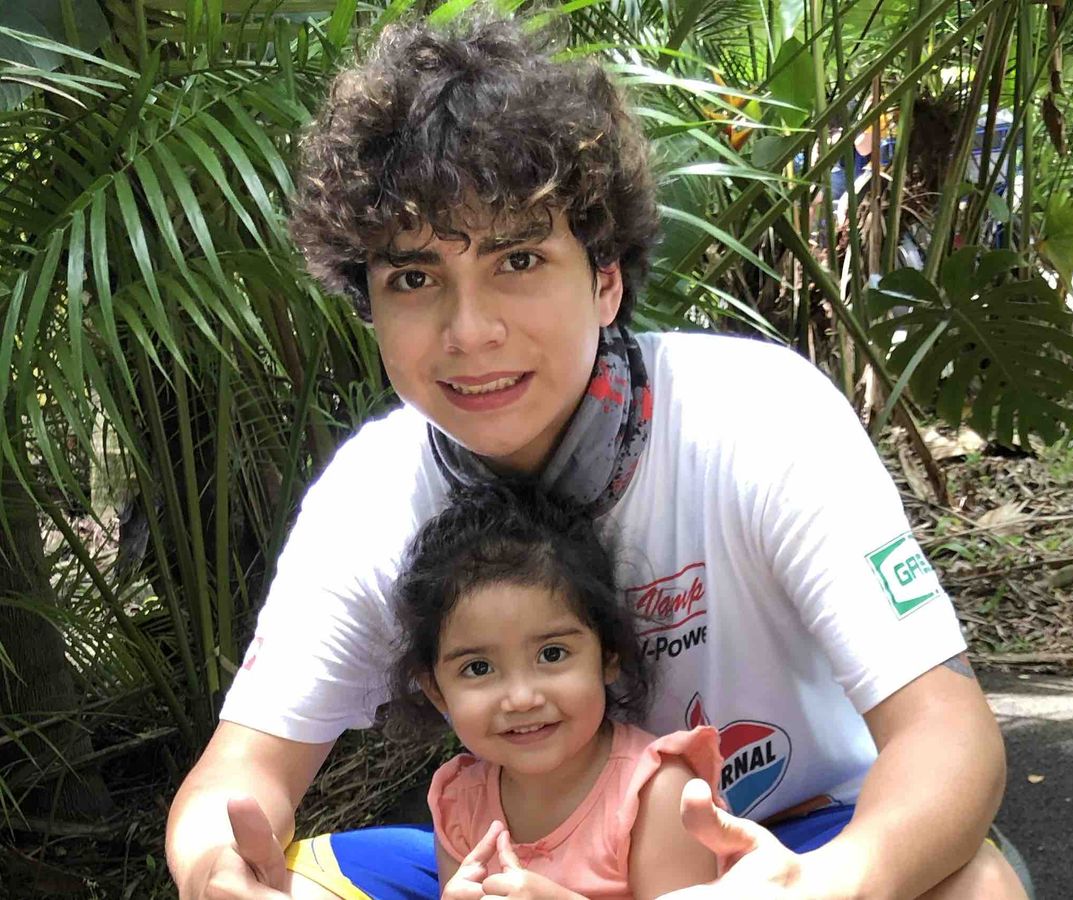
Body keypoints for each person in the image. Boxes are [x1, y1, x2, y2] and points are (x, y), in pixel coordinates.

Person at [165, 11, 1027, 900]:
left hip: (790, 839)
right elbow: (236, 776)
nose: (470, 331)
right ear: (369, 306)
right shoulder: (369, 499)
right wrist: (216, 868)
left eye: (518, 260)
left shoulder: (756, 416)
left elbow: (946, 734)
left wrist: (827, 887)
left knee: (972, 888)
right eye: (415, 279)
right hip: (516, 866)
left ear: (605, 279)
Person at [284, 484, 724, 898]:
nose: (521, 697)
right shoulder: (459, 802)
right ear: (436, 691)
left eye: (552, 654)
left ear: (608, 656)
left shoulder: (658, 794)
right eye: (478, 668)